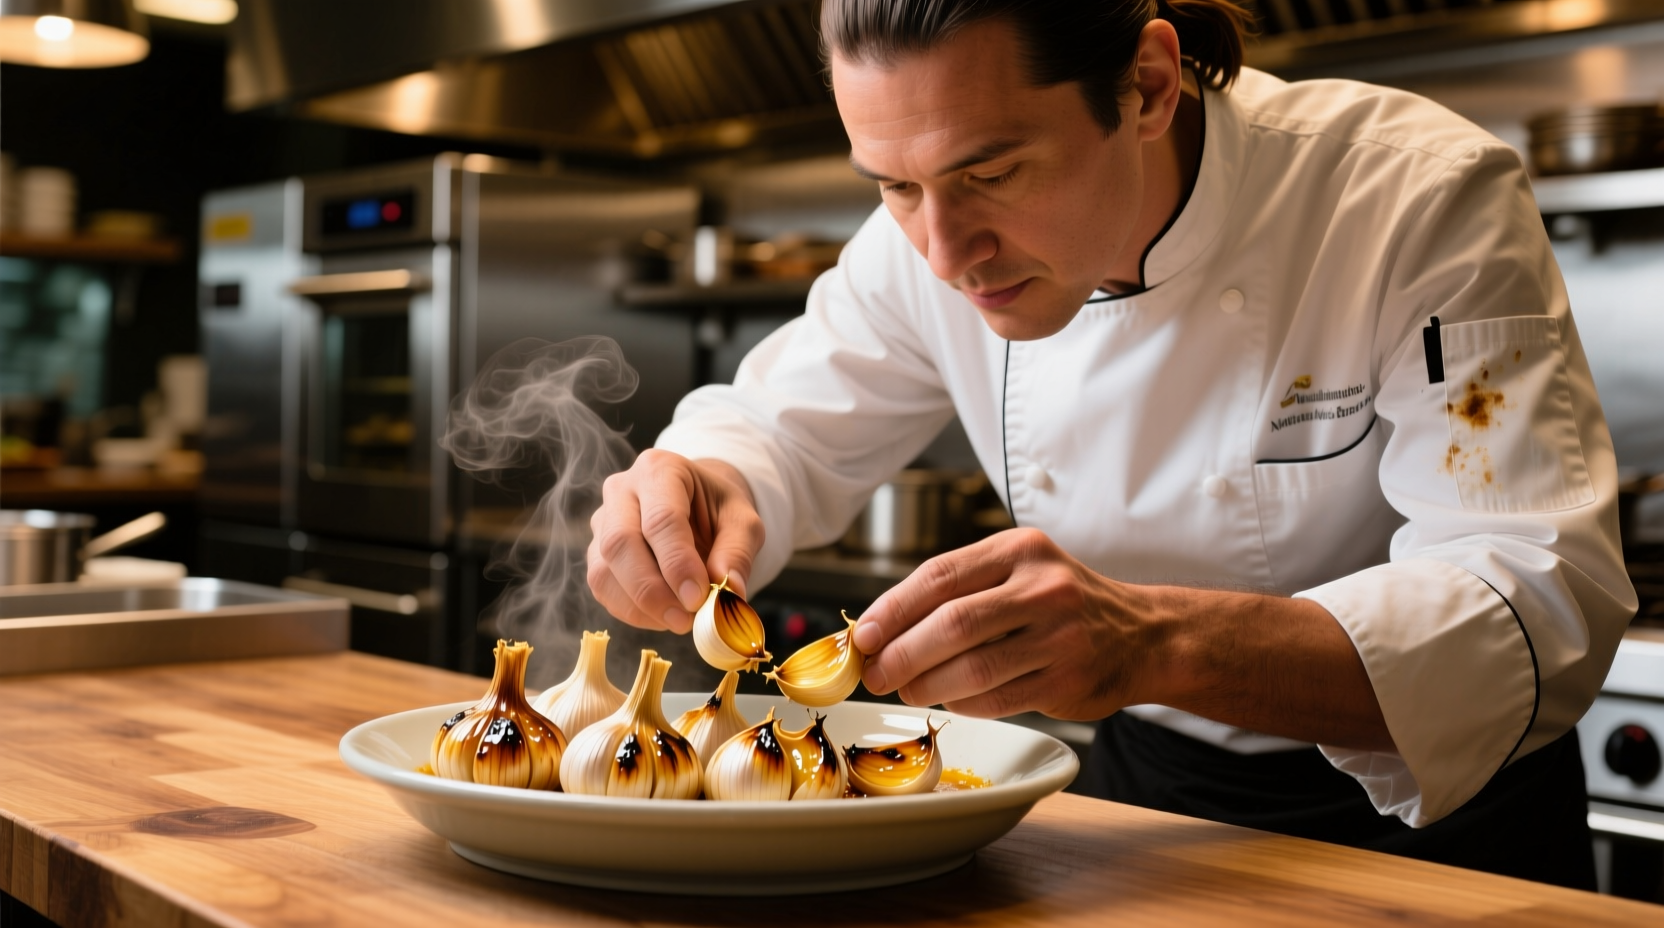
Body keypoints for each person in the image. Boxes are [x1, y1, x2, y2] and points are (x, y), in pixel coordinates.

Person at [585, 0, 1635, 888]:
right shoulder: (919, 244)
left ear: (1146, 84)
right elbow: (777, 428)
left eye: (990, 172)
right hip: (1151, 812)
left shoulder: (1406, 194)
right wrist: (700, 485)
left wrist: (1152, 641)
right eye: (892, 187)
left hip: (1439, 838)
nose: (944, 251)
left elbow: (1532, 596)